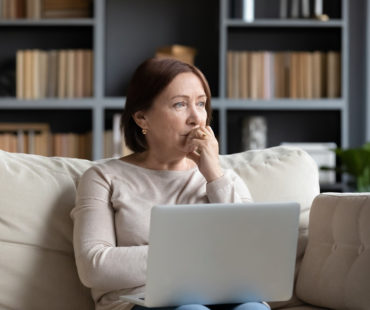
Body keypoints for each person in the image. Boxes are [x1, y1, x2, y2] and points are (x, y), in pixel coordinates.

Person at [71, 58, 270, 310]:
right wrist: (197, 255)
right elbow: (94, 267)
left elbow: (252, 255)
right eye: (180, 105)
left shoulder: (220, 176)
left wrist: (214, 177)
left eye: (201, 104)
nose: (197, 118)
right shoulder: (103, 177)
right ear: (142, 118)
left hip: (221, 296)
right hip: (143, 301)